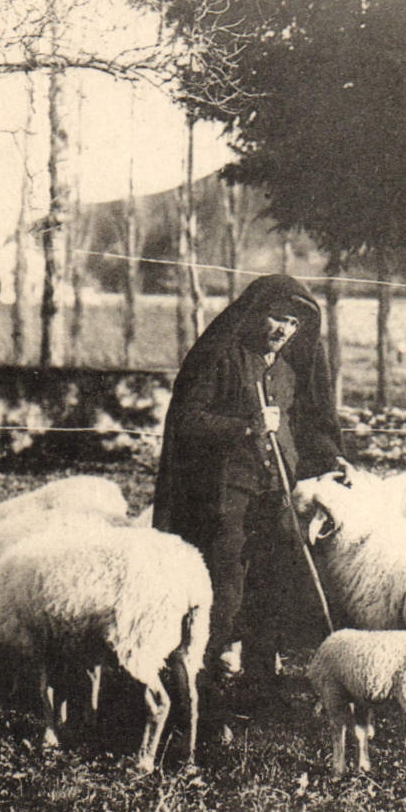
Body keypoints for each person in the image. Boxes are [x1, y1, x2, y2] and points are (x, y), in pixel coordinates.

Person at [152, 274, 347, 714]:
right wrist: (245, 427)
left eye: (294, 323)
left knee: (272, 589)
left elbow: (304, 427)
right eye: (278, 318)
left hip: (276, 497)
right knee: (226, 593)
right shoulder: (223, 359)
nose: (285, 330)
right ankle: (201, 689)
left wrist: (333, 458)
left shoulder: (288, 370)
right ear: (258, 314)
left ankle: (261, 687)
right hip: (227, 496)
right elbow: (187, 420)